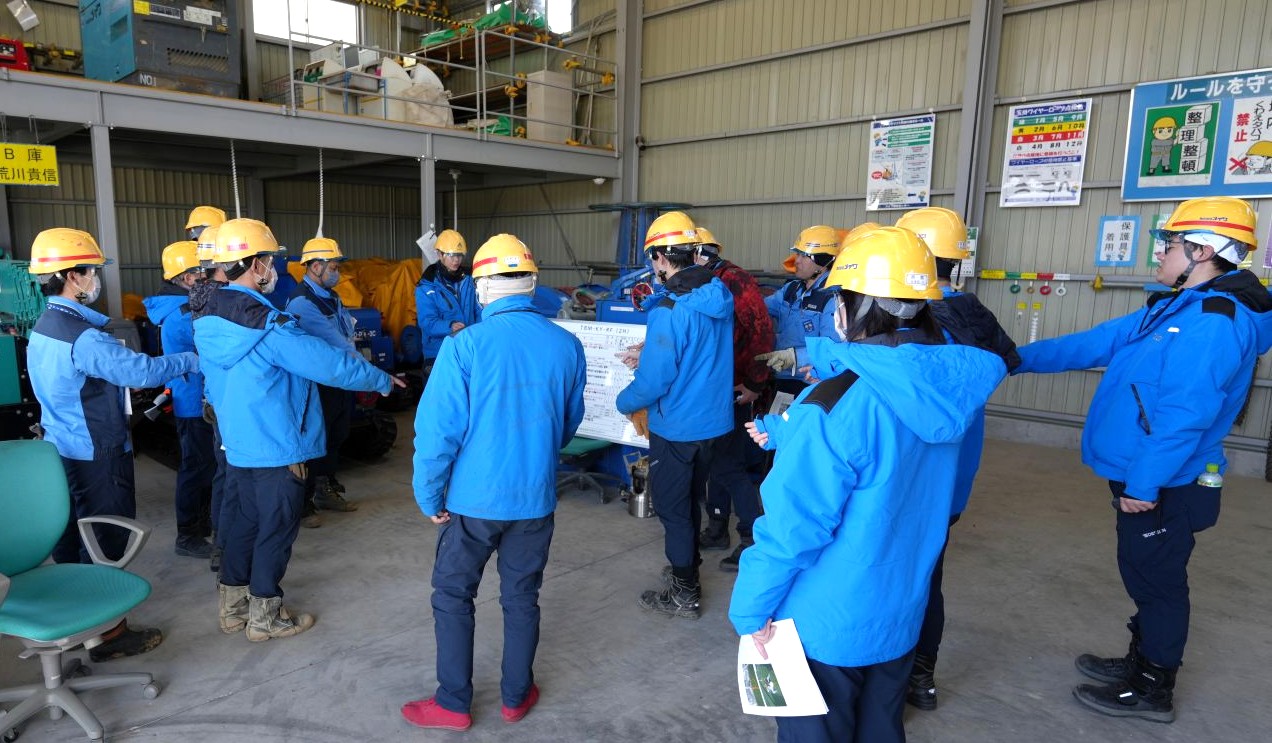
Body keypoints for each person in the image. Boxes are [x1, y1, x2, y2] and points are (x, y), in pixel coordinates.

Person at [730, 226, 1006, 743]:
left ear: (848, 308)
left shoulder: (833, 405)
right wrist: (791, 434)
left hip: (827, 622)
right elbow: (896, 467)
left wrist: (750, 607)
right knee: (880, 728)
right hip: (899, 614)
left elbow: (793, 529)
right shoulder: (943, 392)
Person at [1010, 197, 1272, 723]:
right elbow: (1099, 342)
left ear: (1202, 251)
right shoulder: (1177, 306)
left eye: (1169, 243)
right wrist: (1012, 358)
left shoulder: (1214, 321)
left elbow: (1184, 414)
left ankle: (1153, 688)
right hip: (1146, 472)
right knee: (1143, 572)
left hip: (1167, 480)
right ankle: (1141, 659)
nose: (1160, 253)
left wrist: (1145, 484)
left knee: (1158, 583)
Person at [403, 234, 586, 731]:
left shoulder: (464, 346)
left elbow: (437, 433)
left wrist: (429, 496)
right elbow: (567, 424)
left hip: (473, 502)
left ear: (481, 288)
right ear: (532, 283)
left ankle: (453, 703)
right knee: (521, 596)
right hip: (535, 498)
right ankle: (515, 696)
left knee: (452, 595)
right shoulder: (567, 345)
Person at [194, 218, 402, 642]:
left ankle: (233, 609)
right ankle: (265, 617)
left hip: (238, 441)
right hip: (277, 444)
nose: (273, 268)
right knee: (276, 529)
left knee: (244, 525)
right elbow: (328, 364)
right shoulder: (266, 325)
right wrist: (380, 380)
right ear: (255, 264)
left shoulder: (209, 317)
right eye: (269, 260)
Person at [27, 227, 200, 661]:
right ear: (72, 276)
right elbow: (141, 372)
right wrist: (192, 359)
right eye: (91, 271)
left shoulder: (45, 326)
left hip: (61, 447)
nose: (95, 279)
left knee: (72, 535)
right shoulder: (82, 337)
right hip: (97, 451)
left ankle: (76, 620)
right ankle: (108, 635)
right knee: (107, 537)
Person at [892, 207, 1021, 711]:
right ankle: (921, 679)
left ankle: (891, 678)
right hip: (956, 477)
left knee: (897, 577)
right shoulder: (973, 316)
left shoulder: (915, 324)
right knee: (930, 575)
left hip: (912, 479)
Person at [616, 211, 734, 620]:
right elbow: (698, 355)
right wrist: (650, 352)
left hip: (678, 427)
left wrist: (625, 401)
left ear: (662, 258)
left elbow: (656, 381)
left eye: (652, 258)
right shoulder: (716, 294)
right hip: (712, 424)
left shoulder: (669, 308)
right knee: (690, 500)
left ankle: (685, 592)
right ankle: (687, 567)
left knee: (673, 509)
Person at [691, 226, 774, 571]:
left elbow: (761, 330)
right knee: (714, 463)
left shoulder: (733, 280)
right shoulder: (698, 282)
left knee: (728, 464)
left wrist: (755, 382)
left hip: (735, 387)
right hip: (710, 388)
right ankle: (717, 527)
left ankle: (751, 537)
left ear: (700, 252)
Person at [142, 240, 216, 558]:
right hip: (194, 401)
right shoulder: (184, 314)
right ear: (187, 278)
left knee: (205, 465)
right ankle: (188, 535)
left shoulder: (182, 307)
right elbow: (213, 349)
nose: (208, 278)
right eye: (203, 273)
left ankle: (204, 525)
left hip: (194, 396)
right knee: (196, 468)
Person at [285, 237, 359, 522]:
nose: (337, 272)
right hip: (316, 383)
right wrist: (365, 369)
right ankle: (303, 504)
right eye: (333, 267)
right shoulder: (303, 302)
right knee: (313, 441)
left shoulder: (332, 297)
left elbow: (346, 331)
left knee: (336, 435)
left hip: (337, 378)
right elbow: (336, 341)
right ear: (315, 266)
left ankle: (325, 489)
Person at [756, 225, 841, 395]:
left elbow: (832, 348)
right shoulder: (791, 289)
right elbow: (759, 309)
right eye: (797, 254)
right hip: (783, 375)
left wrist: (795, 357)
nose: (796, 261)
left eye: (804, 256)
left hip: (811, 380)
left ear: (822, 261)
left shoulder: (833, 297)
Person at [414, 229, 479, 373]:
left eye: (459, 255)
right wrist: (449, 326)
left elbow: (478, 310)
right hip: (438, 353)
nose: (456, 260)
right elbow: (427, 322)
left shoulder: (470, 280)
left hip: (468, 348)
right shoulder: (426, 287)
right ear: (439, 254)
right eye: (451, 255)